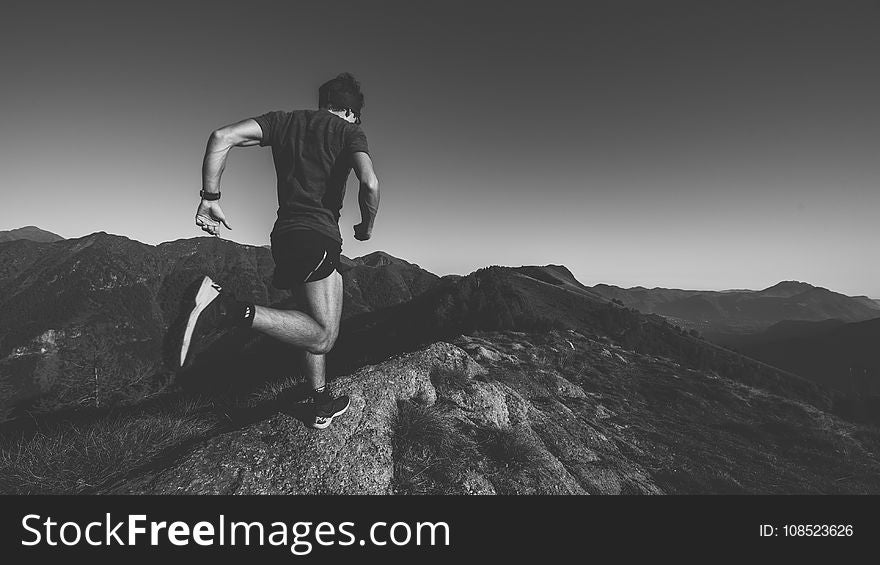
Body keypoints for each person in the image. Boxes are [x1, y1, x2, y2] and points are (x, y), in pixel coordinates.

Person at [178, 73, 380, 430]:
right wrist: (366, 227)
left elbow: (221, 137)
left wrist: (210, 198)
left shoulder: (284, 122)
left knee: (310, 317)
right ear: (350, 111)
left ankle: (320, 402)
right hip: (316, 236)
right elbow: (370, 182)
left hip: (286, 236)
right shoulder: (349, 132)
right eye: (357, 116)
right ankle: (228, 308)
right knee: (325, 336)